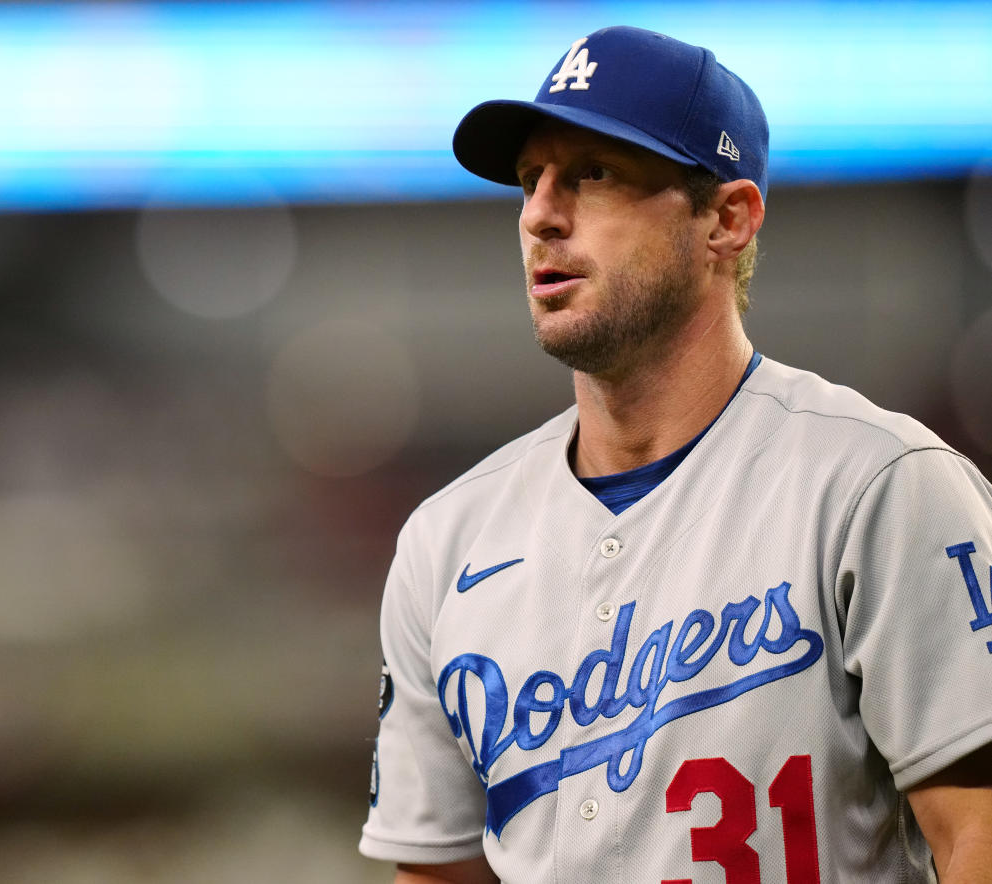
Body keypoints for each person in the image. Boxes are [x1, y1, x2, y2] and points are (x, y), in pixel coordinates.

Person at [358, 24, 992, 884]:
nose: (541, 214)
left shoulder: (876, 487)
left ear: (725, 220)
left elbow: (977, 834)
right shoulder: (447, 539)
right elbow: (433, 870)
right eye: (529, 179)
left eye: (592, 173)